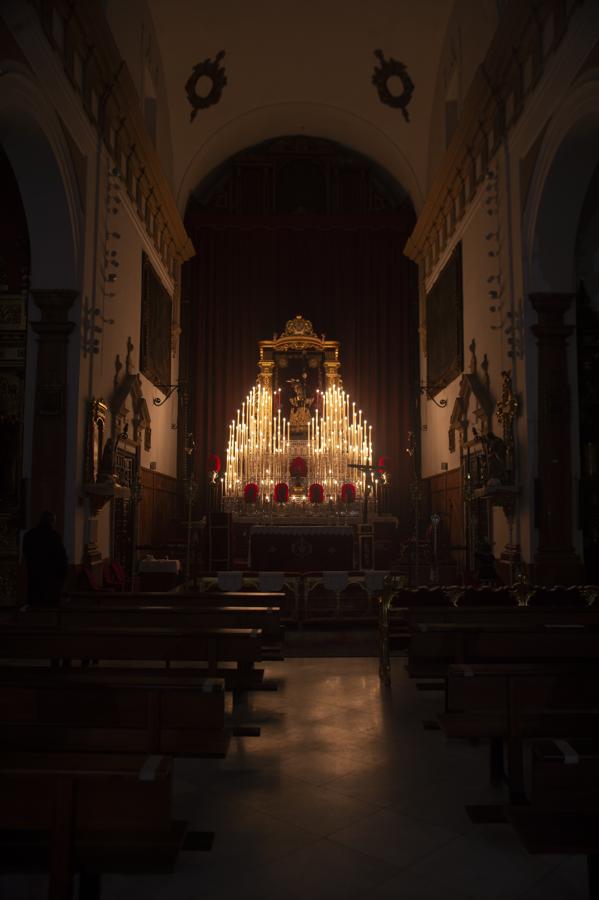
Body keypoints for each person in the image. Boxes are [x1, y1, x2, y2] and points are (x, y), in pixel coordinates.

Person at [22, 511, 68, 607]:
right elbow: (61, 558)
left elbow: (25, 552)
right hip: (50, 575)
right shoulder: (54, 536)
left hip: (34, 572)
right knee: (48, 603)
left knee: (35, 601)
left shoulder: (29, 535)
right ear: (51, 522)